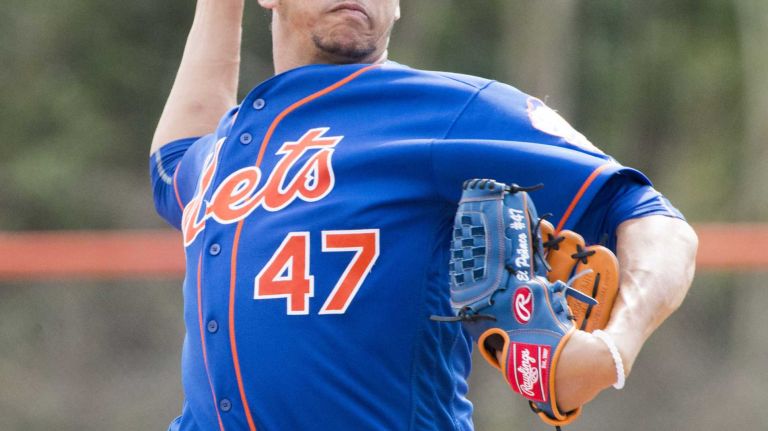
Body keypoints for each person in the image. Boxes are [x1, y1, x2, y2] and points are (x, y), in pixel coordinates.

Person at [149, 1, 698, 430]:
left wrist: (613, 350)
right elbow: (171, 161)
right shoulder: (220, 154)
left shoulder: (447, 111)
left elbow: (656, 220)